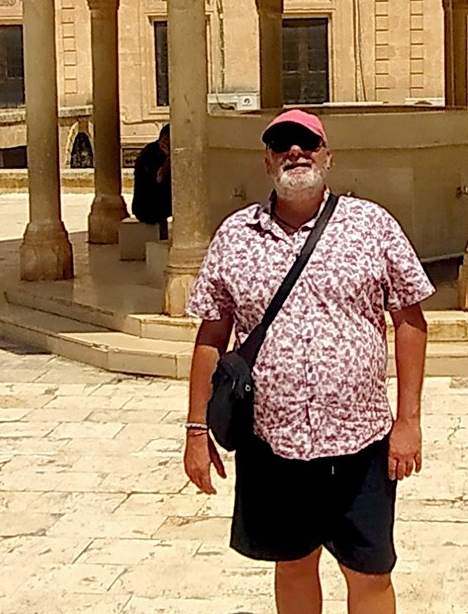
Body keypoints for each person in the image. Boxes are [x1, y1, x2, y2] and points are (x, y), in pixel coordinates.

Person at [183, 109, 432, 614]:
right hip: (273, 442)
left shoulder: (371, 225)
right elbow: (211, 334)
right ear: (267, 161)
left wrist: (408, 421)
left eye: (307, 143)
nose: (295, 152)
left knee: (369, 571)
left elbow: (410, 319)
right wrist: (195, 429)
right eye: (282, 144)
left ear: (327, 155)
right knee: (293, 564)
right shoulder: (236, 235)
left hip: (360, 441)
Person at [131, 123, 170, 239]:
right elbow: (158, 178)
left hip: (155, 203)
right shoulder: (151, 153)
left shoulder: (155, 150)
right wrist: (168, 159)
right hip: (147, 206)